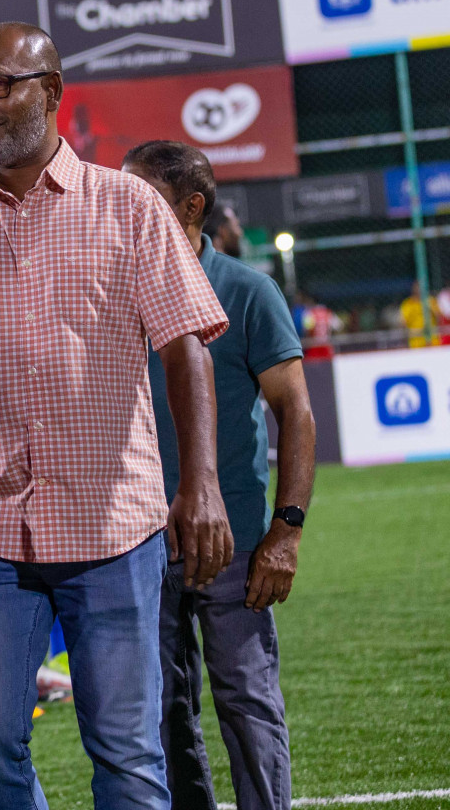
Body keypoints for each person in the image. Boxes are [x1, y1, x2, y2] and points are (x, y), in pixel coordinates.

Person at [0, 21, 233, 809]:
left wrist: (202, 486)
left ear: (51, 91)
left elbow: (186, 349)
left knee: (127, 755)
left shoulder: (128, 208)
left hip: (112, 525)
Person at [123, 141, 317, 810]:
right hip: (138, 541)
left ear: (191, 206)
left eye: (139, 194)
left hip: (231, 543)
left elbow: (295, 413)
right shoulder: (114, 294)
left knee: (246, 699)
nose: (121, 208)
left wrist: (286, 532)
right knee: (160, 706)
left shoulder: (246, 290)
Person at [399, 280, 440, 347]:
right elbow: (403, 323)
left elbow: (439, 317)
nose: (419, 289)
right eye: (417, 287)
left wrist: (430, 307)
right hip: (416, 340)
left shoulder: (430, 300)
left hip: (432, 339)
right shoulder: (408, 304)